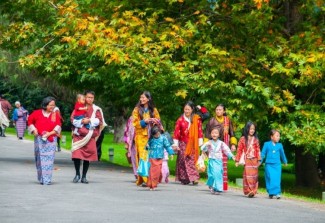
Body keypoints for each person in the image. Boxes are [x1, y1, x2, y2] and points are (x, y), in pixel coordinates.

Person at [71, 91, 106, 184]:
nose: (89, 99)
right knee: (76, 155)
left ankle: (84, 176)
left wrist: (89, 120)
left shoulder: (96, 109)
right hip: (78, 135)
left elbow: (99, 121)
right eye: (88, 97)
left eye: (92, 97)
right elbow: (72, 118)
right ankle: (77, 174)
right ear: (84, 97)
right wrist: (82, 121)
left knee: (87, 156)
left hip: (89, 135)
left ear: (93, 99)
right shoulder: (78, 106)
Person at [27, 96, 62, 185]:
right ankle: (42, 178)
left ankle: (47, 180)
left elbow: (58, 126)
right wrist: (34, 129)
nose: (52, 107)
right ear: (45, 105)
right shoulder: (37, 113)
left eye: (53, 105)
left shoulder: (55, 115)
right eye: (50, 105)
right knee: (39, 159)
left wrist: (49, 134)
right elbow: (30, 121)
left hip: (50, 140)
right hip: (39, 139)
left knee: (49, 160)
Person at [205, 104, 237, 191]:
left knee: (221, 168)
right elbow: (207, 134)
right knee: (212, 169)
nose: (218, 111)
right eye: (217, 110)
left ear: (224, 111)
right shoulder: (212, 121)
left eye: (220, 110)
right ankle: (212, 183)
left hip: (223, 145)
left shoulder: (227, 120)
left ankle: (219, 185)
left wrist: (233, 144)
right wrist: (205, 148)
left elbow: (232, 133)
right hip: (213, 147)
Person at [132, 91, 160, 186]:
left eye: (144, 97)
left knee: (151, 157)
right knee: (142, 156)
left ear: (148, 99)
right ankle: (144, 178)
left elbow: (158, 121)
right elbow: (135, 123)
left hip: (151, 136)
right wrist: (144, 121)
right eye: (141, 97)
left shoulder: (154, 110)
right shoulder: (137, 109)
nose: (142, 99)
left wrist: (153, 121)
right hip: (141, 136)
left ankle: (151, 177)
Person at [173, 101, 204, 185]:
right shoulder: (180, 120)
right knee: (183, 160)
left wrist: (200, 142)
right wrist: (175, 144)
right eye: (185, 109)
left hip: (193, 143)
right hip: (183, 143)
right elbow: (176, 133)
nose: (186, 111)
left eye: (188, 109)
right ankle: (184, 178)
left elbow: (200, 131)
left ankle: (194, 178)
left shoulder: (196, 119)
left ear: (192, 109)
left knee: (192, 160)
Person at [201, 128, 235, 194]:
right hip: (211, 160)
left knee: (218, 174)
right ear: (210, 134)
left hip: (218, 161)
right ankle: (211, 185)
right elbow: (203, 149)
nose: (214, 134)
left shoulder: (221, 143)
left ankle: (218, 188)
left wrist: (232, 156)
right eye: (213, 133)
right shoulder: (209, 142)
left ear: (219, 135)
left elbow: (226, 150)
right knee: (211, 175)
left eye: (216, 133)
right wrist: (206, 145)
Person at [235, 121, 261, 198]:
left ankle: (253, 191)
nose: (252, 130)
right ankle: (249, 191)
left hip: (254, 160)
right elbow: (239, 150)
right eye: (250, 129)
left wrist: (259, 160)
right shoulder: (243, 139)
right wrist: (237, 160)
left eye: (253, 129)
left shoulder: (256, 139)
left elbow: (258, 150)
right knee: (247, 176)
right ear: (247, 129)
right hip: (247, 160)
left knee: (254, 176)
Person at [260, 129, 288, 199]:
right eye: (277, 136)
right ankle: (271, 192)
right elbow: (263, 154)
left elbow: (282, 154)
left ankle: (278, 193)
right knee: (270, 178)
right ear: (271, 137)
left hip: (277, 165)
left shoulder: (280, 145)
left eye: (279, 136)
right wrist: (260, 161)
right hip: (269, 165)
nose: (278, 137)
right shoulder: (266, 144)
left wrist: (285, 161)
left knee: (277, 179)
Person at [146, 126, 175, 190]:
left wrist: (171, 153)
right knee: (151, 172)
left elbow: (167, 146)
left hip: (159, 158)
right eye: (155, 135)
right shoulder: (151, 139)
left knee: (157, 172)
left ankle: (154, 184)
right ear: (153, 134)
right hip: (152, 157)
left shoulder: (163, 138)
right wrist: (147, 146)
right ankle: (151, 185)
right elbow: (147, 146)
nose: (157, 135)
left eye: (158, 134)